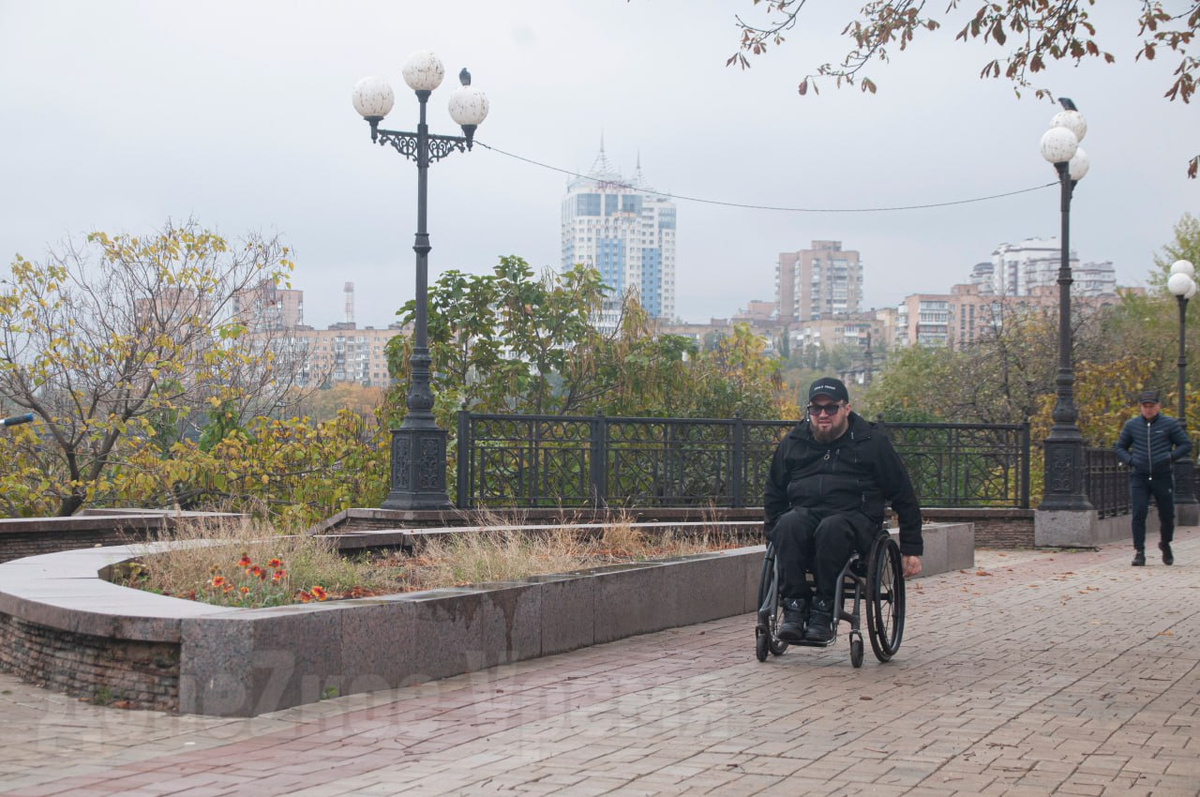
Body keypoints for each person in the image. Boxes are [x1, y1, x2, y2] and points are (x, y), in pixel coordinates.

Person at [763, 377, 923, 644]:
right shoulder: (794, 441)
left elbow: (903, 495)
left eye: (831, 408)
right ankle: (793, 605)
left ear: (846, 409)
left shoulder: (872, 443)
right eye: (816, 409)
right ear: (809, 411)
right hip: (805, 513)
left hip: (855, 517)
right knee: (788, 524)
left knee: (832, 528)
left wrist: (911, 547)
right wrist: (773, 533)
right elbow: (774, 492)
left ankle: (824, 609)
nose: (823, 414)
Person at [1113, 389, 1191, 566]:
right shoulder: (1131, 425)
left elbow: (1185, 444)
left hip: (1162, 476)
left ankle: (1165, 543)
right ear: (1140, 407)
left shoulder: (1169, 424)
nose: (1148, 410)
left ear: (1158, 406)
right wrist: (1131, 460)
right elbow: (1119, 447)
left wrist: (1170, 457)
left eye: (1151, 406)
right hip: (1139, 476)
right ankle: (1139, 552)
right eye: (1145, 406)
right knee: (1139, 513)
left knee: (1167, 515)